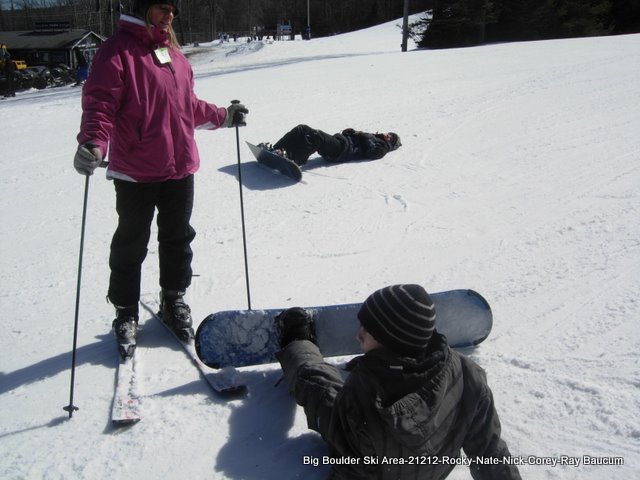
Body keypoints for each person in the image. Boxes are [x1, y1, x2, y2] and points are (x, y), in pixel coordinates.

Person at [73, 0, 248, 357]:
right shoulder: (116, 52)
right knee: (131, 243)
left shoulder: (175, 56)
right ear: (142, 7)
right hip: (136, 171)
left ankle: (173, 298)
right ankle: (125, 311)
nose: (170, 16)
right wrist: (93, 142)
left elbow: (188, 105)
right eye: (162, 8)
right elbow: (100, 104)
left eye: (173, 10)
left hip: (179, 167)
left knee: (177, 238)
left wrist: (223, 116)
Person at [275, 284, 521, 480]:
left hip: (370, 447)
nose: (358, 334)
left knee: (318, 384)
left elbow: (354, 469)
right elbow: (491, 454)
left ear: (394, 343)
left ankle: (297, 343)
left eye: (368, 332)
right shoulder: (469, 373)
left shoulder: (363, 399)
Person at [262, 124, 401, 166]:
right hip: (341, 143)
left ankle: (294, 160)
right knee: (302, 129)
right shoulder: (375, 137)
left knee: (316, 136)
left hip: (342, 151)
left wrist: (363, 136)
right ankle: (276, 149)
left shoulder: (383, 147)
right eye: (389, 133)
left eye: (390, 137)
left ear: (390, 142)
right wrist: (351, 132)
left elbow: (373, 152)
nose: (387, 135)